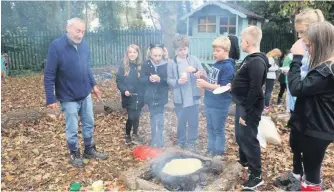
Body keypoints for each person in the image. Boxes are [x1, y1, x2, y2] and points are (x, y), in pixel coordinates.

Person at [44, 18, 107, 167]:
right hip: (68, 95)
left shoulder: (84, 45)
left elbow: (87, 68)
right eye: (78, 31)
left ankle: (89, 149)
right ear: (68, 28)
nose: (80, 35)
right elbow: (49, 74)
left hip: (85, 93)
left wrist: (94, 85)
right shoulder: (56, 46)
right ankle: (74, 152)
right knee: (72, 127)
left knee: (89, 123)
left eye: (83, 31)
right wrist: (50, 98)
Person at [274, 8, 325, 191]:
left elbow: (309, 80)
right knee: (295, 142)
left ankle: (308, 179)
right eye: (298, 31)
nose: (300, 36)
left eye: (303, 31)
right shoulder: (301, 44)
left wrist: (295, 64)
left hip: (311, 109)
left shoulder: (320, 49)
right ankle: (296, 174)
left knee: (309, 150)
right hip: (297, 103)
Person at [288, 21, 334, 191]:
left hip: (318, 130)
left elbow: (296, 88)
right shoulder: (327, 68)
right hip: (317, 127)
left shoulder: (326, 71)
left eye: (308, 45)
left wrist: (296, 59)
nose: (306, 48)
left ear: (320, 43)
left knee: (312, 172)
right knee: (310, 169)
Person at [231, 26, 269, 190]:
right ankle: (245, 161)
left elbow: (255, 90)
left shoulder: (257, 61)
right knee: (241, 136)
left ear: (246, 42)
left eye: (241, 40)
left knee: (249, 138)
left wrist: (246, 114)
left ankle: (256, 176)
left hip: (249, 108)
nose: (240, 43)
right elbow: (246, 82)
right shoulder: (250, 59)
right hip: (242, 105)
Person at [196, 36, 234, 158]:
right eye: (214, 51)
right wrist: (205, 77)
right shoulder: (217, 63)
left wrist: (205, 84)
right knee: (210, 128)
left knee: (218, 129)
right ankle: (211, 149)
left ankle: (219, 152)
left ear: (226, 51)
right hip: (209, 102)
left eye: (218, 51)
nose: (215, 53)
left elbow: (223, 87)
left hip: (220, 104)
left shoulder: (228, 66)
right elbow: (214, 81)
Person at [167, 35, 206, 150]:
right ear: (176, 50)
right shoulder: (172, 63)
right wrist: (177, 81)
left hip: (194, 97)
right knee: (181, 122)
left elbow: (203, 73)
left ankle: (192, 142)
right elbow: (169, 80)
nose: (183, 52)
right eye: (180, 50)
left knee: (193, 122)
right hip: (180, 98)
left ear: (188, 48)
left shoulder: (194, 60)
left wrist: (195, 70)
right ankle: (181, 141)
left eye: (184, 49)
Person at [140, 44, 169, 148]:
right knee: (152, 117)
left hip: (161, 96)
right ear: (150, 54)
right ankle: (154, 138)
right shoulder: (146, 64)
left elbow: (168, 82)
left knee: (160, 118)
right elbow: (141, 79)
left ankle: (160, 139)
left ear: (163, 54)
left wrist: (160, 79)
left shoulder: (166, 65)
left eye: (159, 56)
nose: (157, 58)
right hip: (150, 96)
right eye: (155, 55)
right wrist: (149, 78)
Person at [116, 44, 144, 145]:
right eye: (130, 52)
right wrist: (124, 90)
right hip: (128, 96)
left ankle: (135, 133)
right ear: (127, 54)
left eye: (134, 52)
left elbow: (144, 81)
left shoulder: (141, 66)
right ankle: (127, 134)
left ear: (138, 53)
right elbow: (119, 81)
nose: (132, 54)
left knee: (137, 116)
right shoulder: (123, 66)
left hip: (139, 96)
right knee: (131, 116)